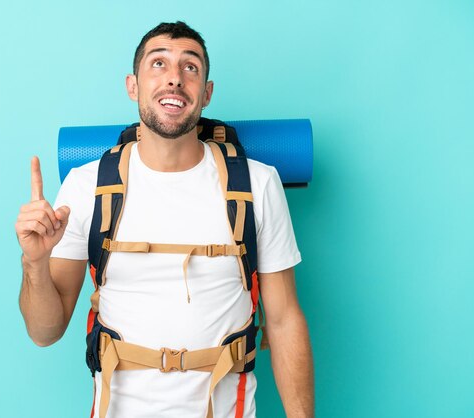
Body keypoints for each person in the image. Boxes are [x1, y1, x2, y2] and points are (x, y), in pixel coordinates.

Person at [16, 21, 314, 418]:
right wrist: (34, 262)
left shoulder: (257, 183)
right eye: (158, 64)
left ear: (206, 94)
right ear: (132, 85)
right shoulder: (85, 186)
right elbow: (44, 332)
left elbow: (284, 321)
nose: (174, 78)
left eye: (190, 67)